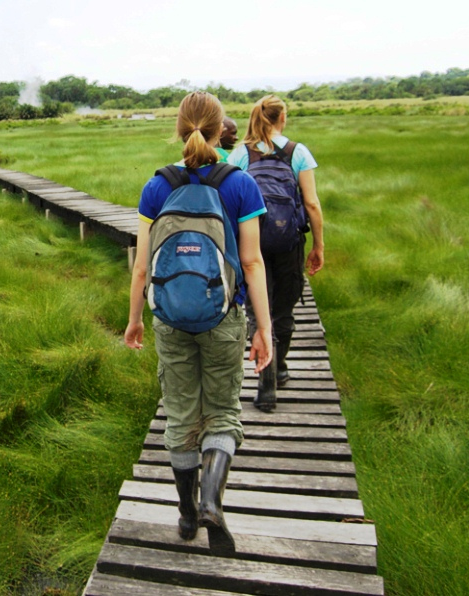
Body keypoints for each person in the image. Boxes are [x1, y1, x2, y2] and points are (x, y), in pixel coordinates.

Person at [124, 91, 273, 556]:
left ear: (179, 128)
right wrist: (263, 329)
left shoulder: (157, 185)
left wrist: (135, 320)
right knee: (223, 412)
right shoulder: (240, 183)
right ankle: (212, 499)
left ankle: (187, 514)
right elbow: (252, 264)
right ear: (219, 127)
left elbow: (143, 268)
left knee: (181, 415)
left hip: (168, 317)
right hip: (224, 317)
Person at [228, 94, 324, 411]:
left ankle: (265, 384)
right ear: (282, 118)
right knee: (283, 308)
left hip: (251, 243)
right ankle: (279, 367)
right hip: (289, 243)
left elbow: (229, 203)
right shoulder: (298, 152)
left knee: (259, 310)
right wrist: (319, 245)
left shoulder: (241, 154)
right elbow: (311, 204)